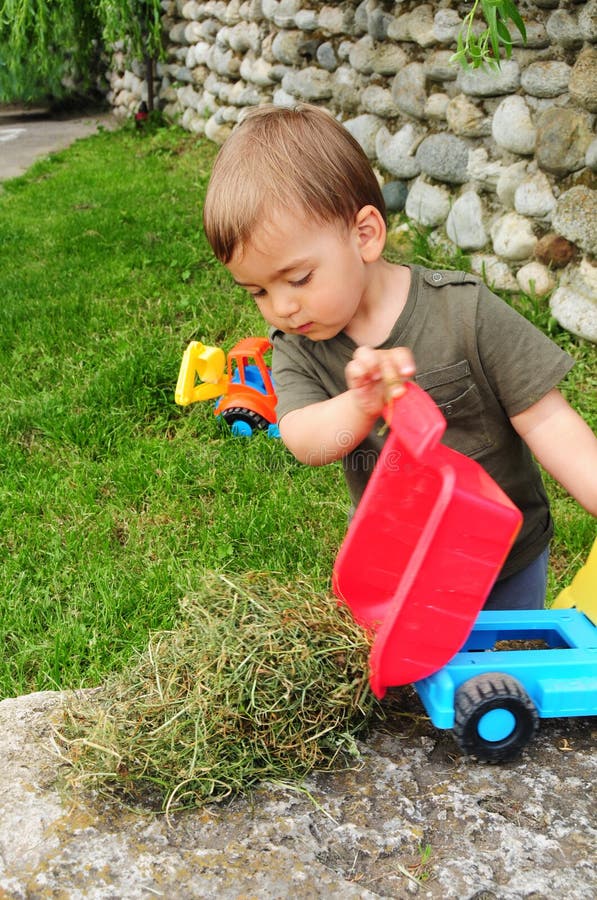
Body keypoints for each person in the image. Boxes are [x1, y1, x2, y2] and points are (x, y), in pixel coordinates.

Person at [202, 103, 597, 610]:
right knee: (414, 663)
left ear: (364, 235)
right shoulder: (298, 347)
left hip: (504, 561)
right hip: (401, 572)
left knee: (506, 660)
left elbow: (548, 422)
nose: (282, 307)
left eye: (298, 279)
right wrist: (360, 404)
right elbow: (303, 439)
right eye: (257, 291)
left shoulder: (463, 311)